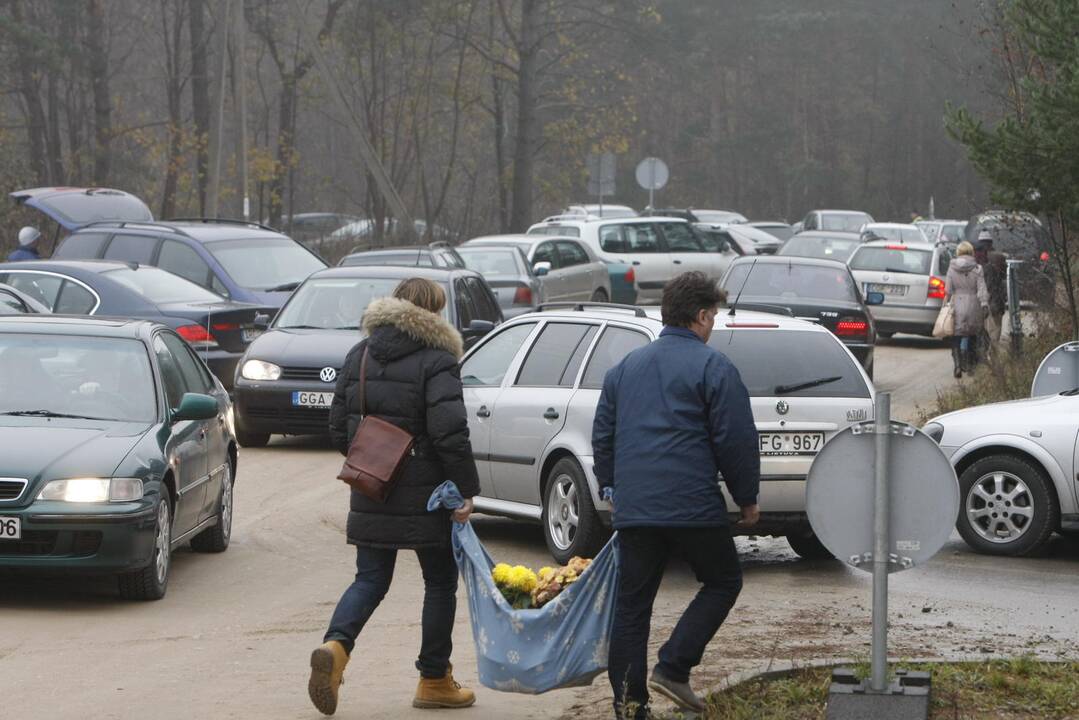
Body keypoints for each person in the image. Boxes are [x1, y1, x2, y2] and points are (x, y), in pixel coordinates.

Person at [592, 271, 760, 720]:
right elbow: (736, 439)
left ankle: (629, 706)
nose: (714, 326)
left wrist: (610, 487)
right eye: (714, 318)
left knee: (632, 608)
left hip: (635, 509)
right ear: (701, 316)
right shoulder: (714, 367)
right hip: (692, 504)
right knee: (724, 581)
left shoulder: (623, 369)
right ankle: (673, 666)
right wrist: (746, 498)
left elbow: (603, 435)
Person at [309, 278, 480, 716]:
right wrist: (465, 490)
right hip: (428, 494)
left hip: (373, 485)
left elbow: (335, 426)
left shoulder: (359, 354)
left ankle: (336, 648)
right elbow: (450, 434)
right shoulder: (438, 360)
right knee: (439, 581)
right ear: (433, 312)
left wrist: (371, 461)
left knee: (370, 579)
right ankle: (434, 680)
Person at [945, 241, 990, 378]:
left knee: (956, 337)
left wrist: (945, 305)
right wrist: (984, 304)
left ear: (958, 252)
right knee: (973, 335)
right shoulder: (977, 268)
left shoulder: (952, 268)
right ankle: (971, 366)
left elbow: (948, 290)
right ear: (971, 252)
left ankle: (958, 366)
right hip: (974, 305)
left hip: (957, 304)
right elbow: (982, 289)